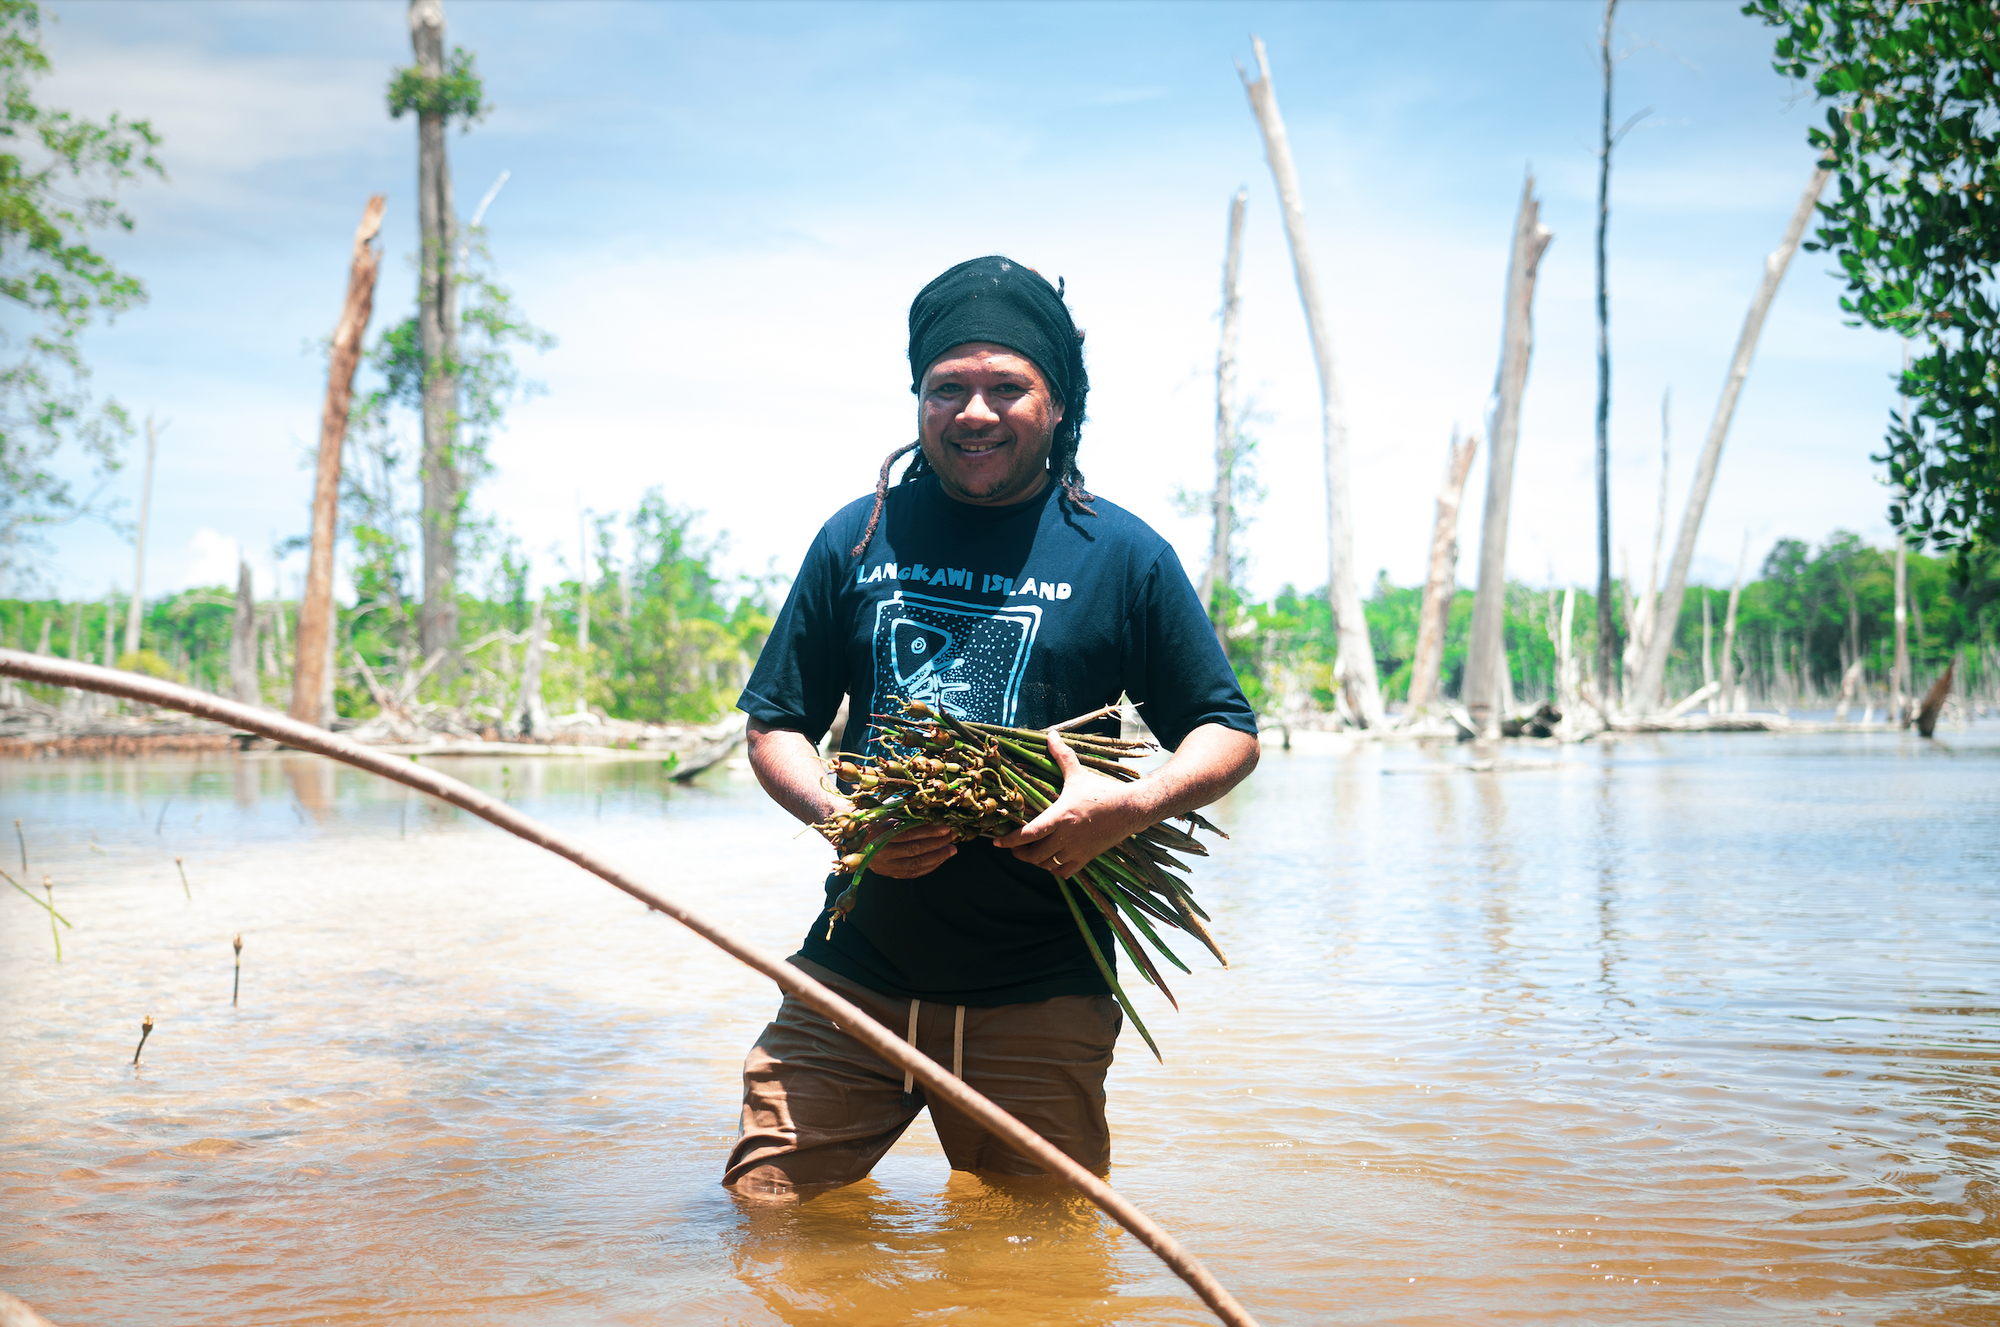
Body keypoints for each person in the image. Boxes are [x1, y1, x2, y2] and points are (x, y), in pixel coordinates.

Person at [726, 255, 1259, 1198]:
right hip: (856, 972)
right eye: (948, 388)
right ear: (919, 400)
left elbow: (1225, 729)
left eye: (1006, 386)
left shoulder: (1122, 553)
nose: (974, 411)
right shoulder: (859, 535)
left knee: (1039, 1264)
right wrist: (840, 816)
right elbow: (775, 724)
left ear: (1059, 404)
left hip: (1043, 990)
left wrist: (1128, 807)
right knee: (768, 1218)